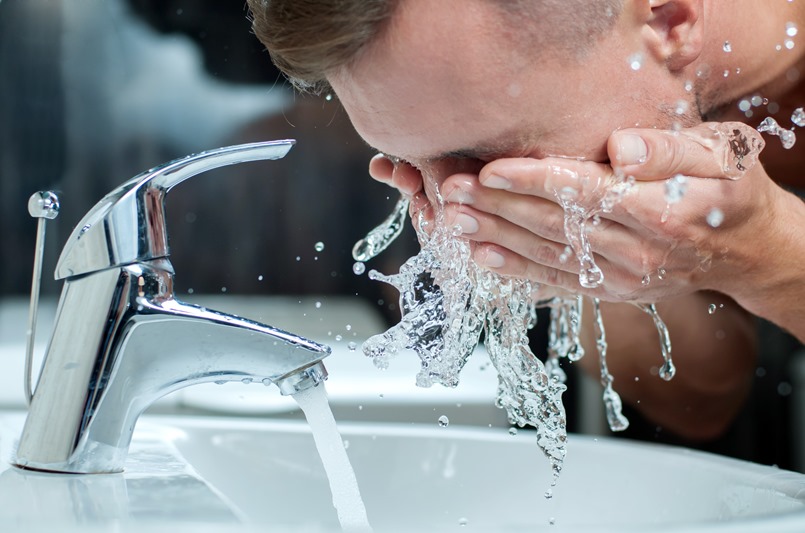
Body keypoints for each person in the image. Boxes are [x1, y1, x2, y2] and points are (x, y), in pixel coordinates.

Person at [246, 0, 805, 444]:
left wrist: (772, 257)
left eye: (490, 156)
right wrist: (611, 267)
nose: (456, 202)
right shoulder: (591, 89)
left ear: (670, 19)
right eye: (412, 162)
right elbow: (704, 401)